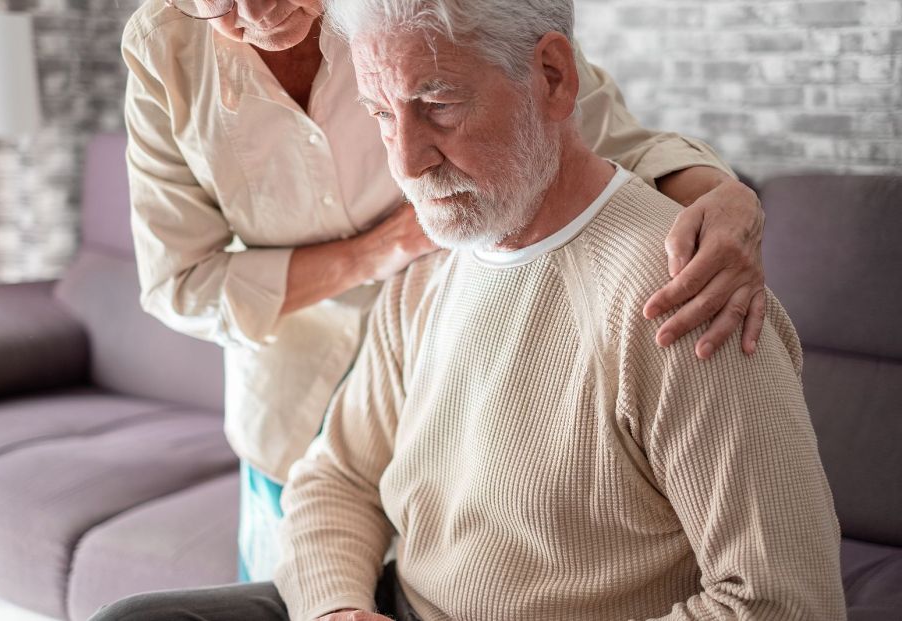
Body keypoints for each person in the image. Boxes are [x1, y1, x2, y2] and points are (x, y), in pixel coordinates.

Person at [95, 0, 845, 619]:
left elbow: (781, 600)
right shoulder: (427, 275)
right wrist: (335, 609)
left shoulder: (682, 300)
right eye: (380, 115)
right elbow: (332, 479)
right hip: (307, 422)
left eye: (439, 107)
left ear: (551, 77)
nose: (407, 162)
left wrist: (726, 196)